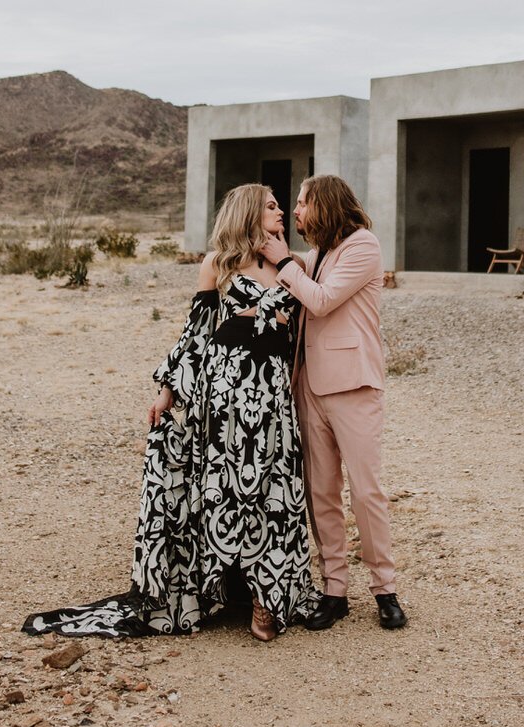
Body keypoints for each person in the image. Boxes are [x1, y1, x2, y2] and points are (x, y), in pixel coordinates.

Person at [23, 184, 322, 640]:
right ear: (248, 213)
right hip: (223, 389)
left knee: (271, 487)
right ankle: (222, 588)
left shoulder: (294, 265)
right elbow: (195, 334)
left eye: (282, 205)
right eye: (271, 205)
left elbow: (299, 336)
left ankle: (268, 596)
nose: (281, 210)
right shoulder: (218, 263)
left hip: (272, 392)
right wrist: (167, 390)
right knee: (224, 487)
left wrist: (283, 264)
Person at [260, 174, 405, 631]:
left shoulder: (363, 246)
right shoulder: (316, 252)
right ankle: (334, 590)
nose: (296, 211)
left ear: (323, 204)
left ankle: (385, 589)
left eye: (301, 203)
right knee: (320, 492)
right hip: (309, 386)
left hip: (354, 386)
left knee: (366, 492)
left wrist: (284, 262)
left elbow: (320, 301)